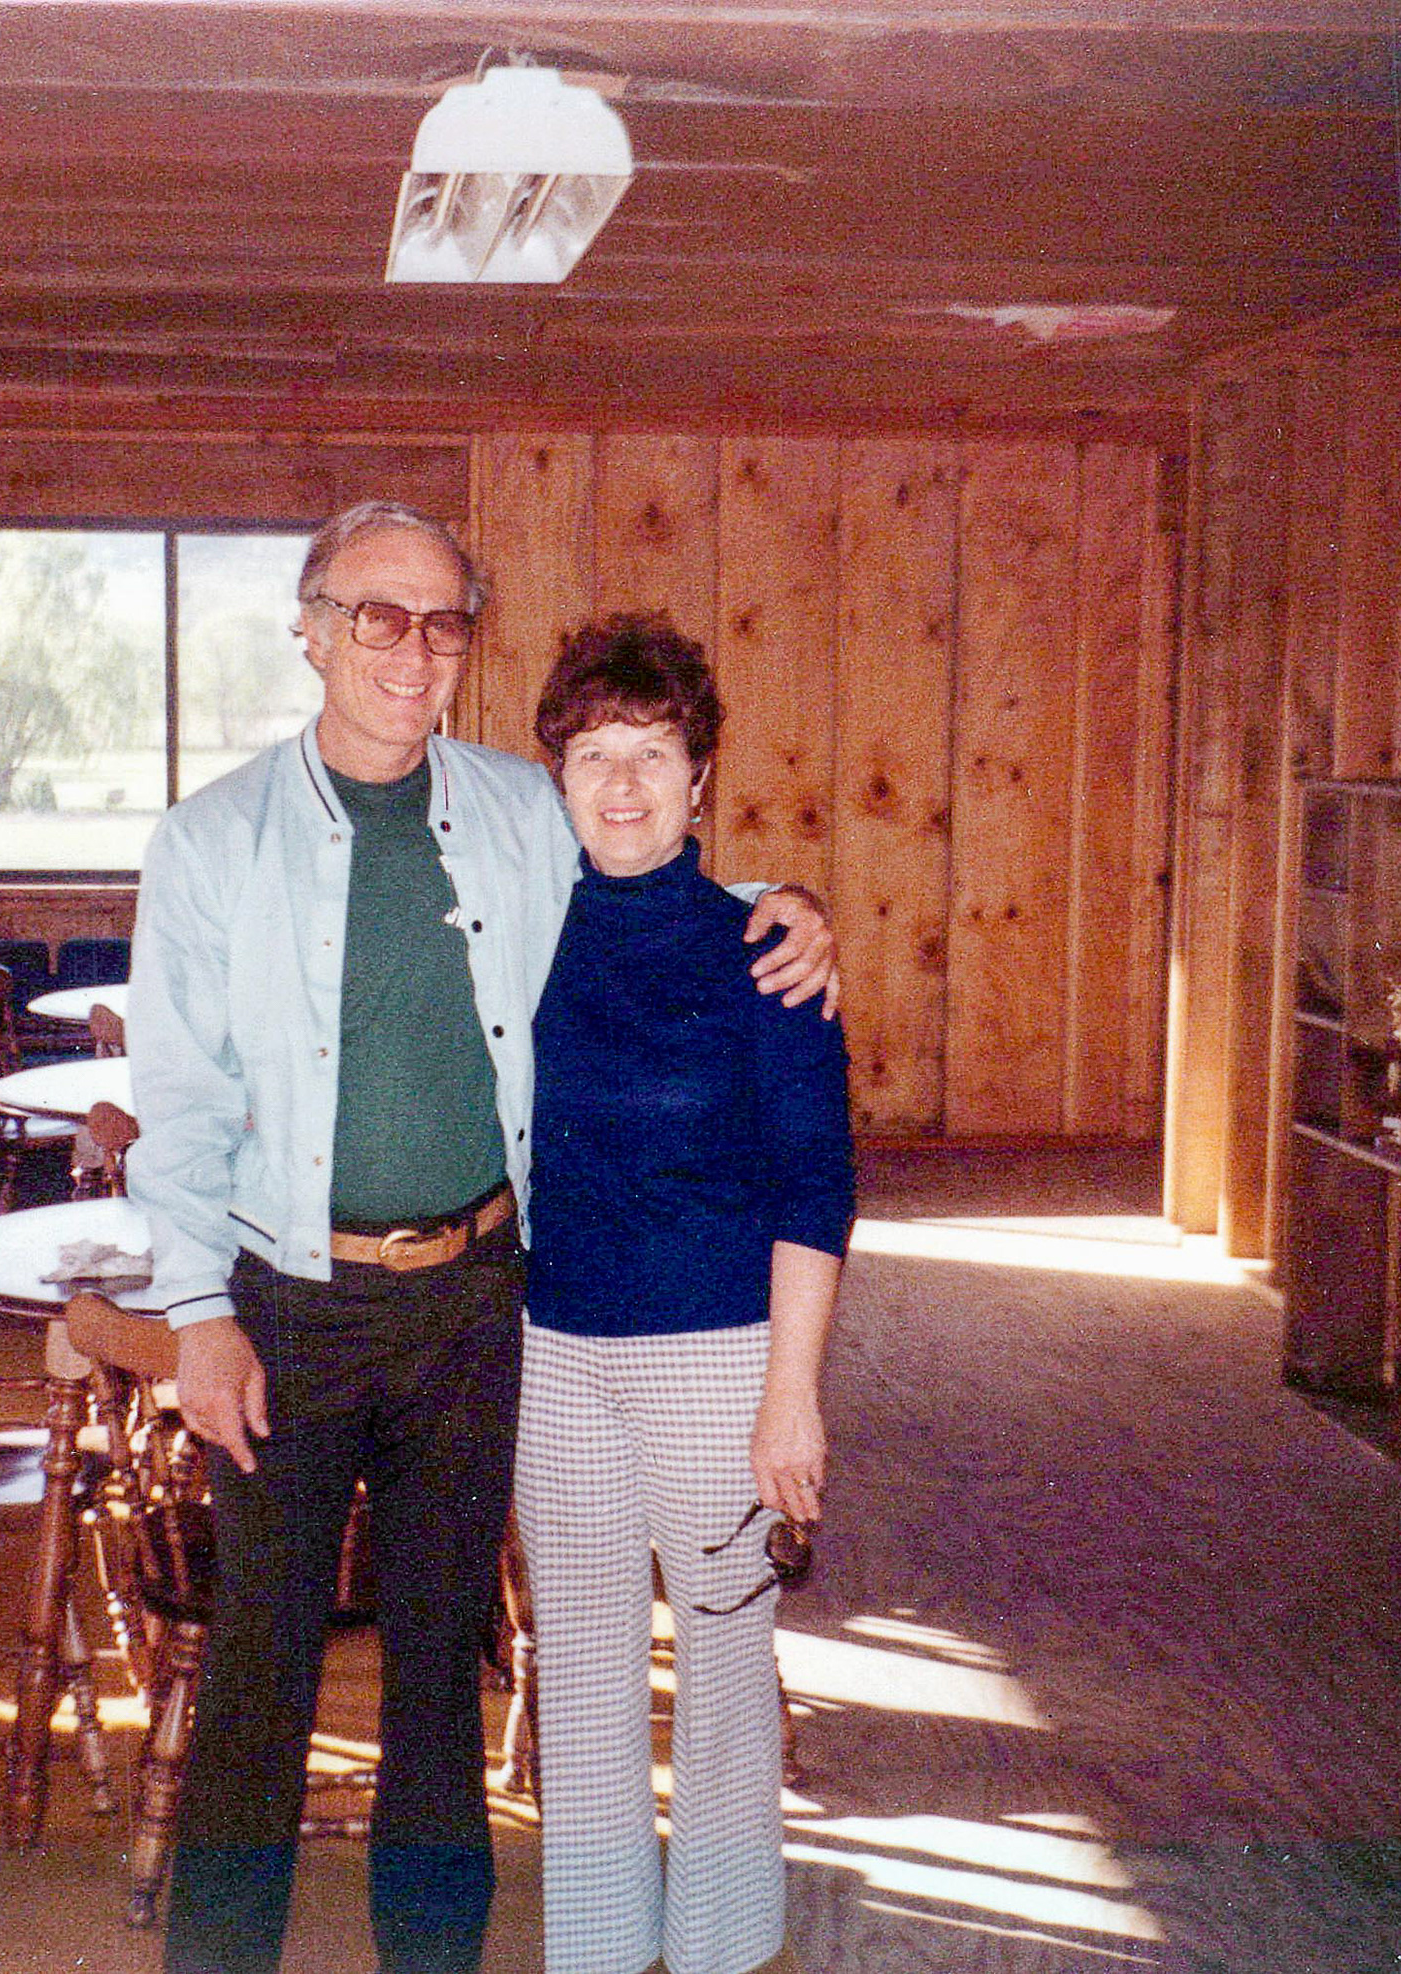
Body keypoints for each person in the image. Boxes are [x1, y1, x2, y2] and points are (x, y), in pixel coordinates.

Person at [124, 500, 837, 1974]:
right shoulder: (210, 841)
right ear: (312, 628)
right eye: (377, 615)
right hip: (288, 1306)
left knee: (444, 1672)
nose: (412, 650)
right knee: (260, 1676)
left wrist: (786, 905)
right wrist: (196, 1312)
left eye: (444, 622)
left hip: (474, 1305)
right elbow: (180, 1099)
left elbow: (657, 876)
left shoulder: (516, 810)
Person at [516, 616, 855, 1974]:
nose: (620, 783)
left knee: (723, 1672)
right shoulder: (523, 937)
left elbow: (816, 1187)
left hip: (719, 1359)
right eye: (593, 752)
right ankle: (600, 1948)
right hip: (553, 1353)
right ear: (555, 773)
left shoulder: (764, 951)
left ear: (699, 775)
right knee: (583, 1669)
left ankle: (720, 1948)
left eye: (651, 752)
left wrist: (792, 1398)